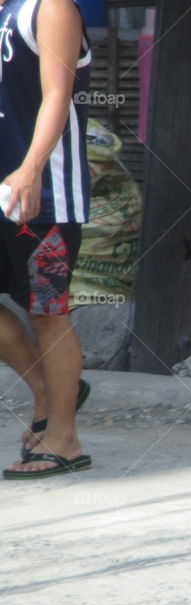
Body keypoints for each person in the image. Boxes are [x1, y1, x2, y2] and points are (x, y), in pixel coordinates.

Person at [0, 0, 92, 479]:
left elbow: (57, 93)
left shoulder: (51, 7)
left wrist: (31, 169)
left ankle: (65, 439)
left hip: (45, 191)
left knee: (46, 313)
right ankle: (49, 393)